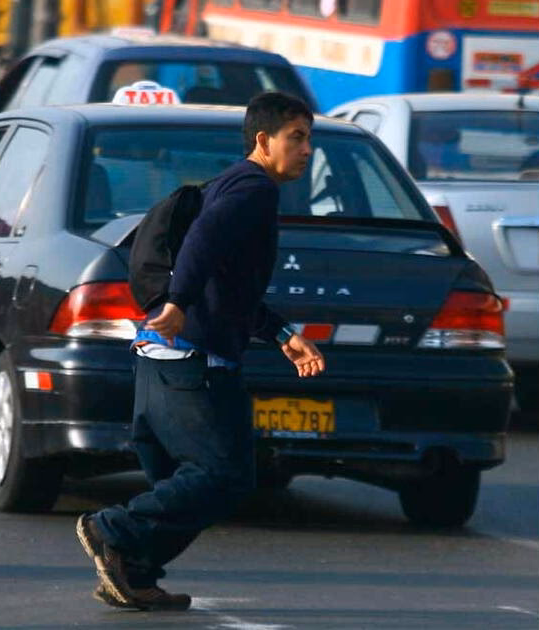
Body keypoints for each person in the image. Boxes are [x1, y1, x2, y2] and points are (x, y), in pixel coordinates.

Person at [76, 91, 326, 611]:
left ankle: (132, 571)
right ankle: (113, 531)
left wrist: (281, 334)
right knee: (225, 476)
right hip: (194, 361)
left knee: (187, 484)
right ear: (263, 140)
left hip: (164, 362)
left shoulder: (232, 184)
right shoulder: (255, 188)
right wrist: (178, 303)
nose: (306, 150)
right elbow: (204, 243)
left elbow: (228, 285)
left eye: (309, 138)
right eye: (296, 138)